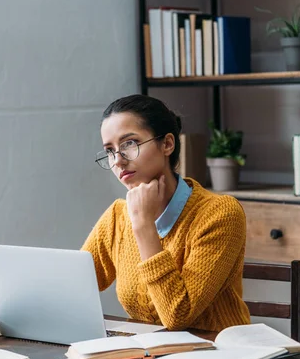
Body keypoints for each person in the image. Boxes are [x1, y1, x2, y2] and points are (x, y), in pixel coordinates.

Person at [82, 94, 250, 332]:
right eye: (110, 150)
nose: (117, 161)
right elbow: (74, 288)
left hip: (216, 356)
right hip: (146, 357)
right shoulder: (117, 217)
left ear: (167, 144)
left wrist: (144, 227)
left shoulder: (220, 214)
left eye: (129, 144)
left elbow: (178, 316)